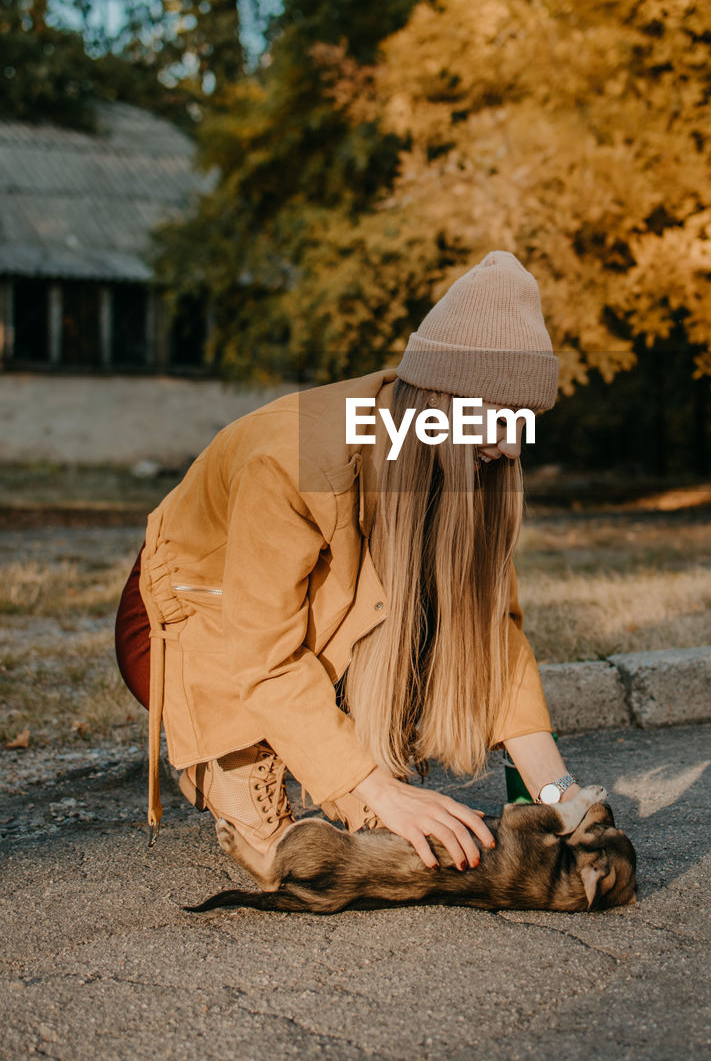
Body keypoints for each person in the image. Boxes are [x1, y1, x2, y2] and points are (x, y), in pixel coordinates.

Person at [115, 251, 596, 883]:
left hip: (301, 614)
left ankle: (339, 769)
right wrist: (379, 789)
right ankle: (231, 759)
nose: (512, 446)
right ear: (440, 401)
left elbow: (490, 633)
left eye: (526, 424)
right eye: (500, 420)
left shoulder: (469, 460)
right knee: (284, 861)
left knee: (379, 810)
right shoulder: (296, 463)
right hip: (183, 618)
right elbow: (263, 655)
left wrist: (559, 795)